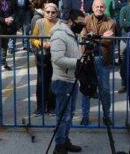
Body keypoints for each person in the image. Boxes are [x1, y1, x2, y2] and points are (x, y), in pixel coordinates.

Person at [50, 9, 84, 154]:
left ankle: (65, 140)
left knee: (69, 114)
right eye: (80, 23)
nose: (81, 26)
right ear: (71, 21)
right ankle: (59, 146)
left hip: (71, 79)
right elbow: (57, 59)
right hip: (62, 81)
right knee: (63, 115)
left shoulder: (71, 34)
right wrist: (78, 63)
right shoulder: (59, 34)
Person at [80, 0, 115, 125]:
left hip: (103, 59)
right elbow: (84, 38)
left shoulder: (111, 21)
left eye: (101, 7)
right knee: (86, 88)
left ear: (104, 8)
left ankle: (107, 115)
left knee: (105, 89)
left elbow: (108, 41)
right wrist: (100, 37)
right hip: (88, 58)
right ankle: (85, 115)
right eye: (97, 6)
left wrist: (93, 36)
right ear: (93, 7)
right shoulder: (87, 19)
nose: (99, 9)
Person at [31, 2, 58, 116]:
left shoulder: (60, 23)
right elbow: (33, 39)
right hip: (42, 55)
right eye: (48, 12)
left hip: (56, 56)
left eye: (53, 12)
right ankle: (40, 108)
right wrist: (42, 44)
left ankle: (52, 107)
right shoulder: (39, 22)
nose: (50, 14)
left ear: (57, 13)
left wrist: (53, 44)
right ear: (44, 12)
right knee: (41, 82)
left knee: (53, 81)